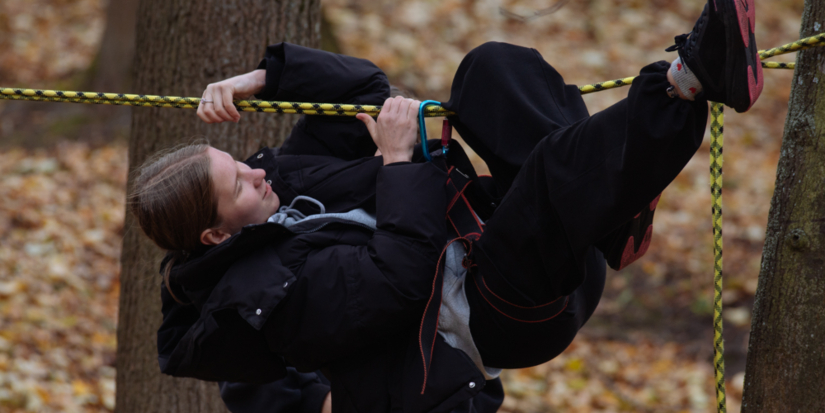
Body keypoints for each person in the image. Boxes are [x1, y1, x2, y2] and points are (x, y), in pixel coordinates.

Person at [136, 0, 761, 412]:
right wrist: (401, 164)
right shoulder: (266, 295)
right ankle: (688, 81)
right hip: (497, 308)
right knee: (548, 175)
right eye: (238, 184)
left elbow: (364, 92)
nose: (254, 169)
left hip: (485, 233)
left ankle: (614, 215)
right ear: (216, 236)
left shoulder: (281, 180)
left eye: (236, 161)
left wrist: (264, 78)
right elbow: (401, 278)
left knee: (492, 70)